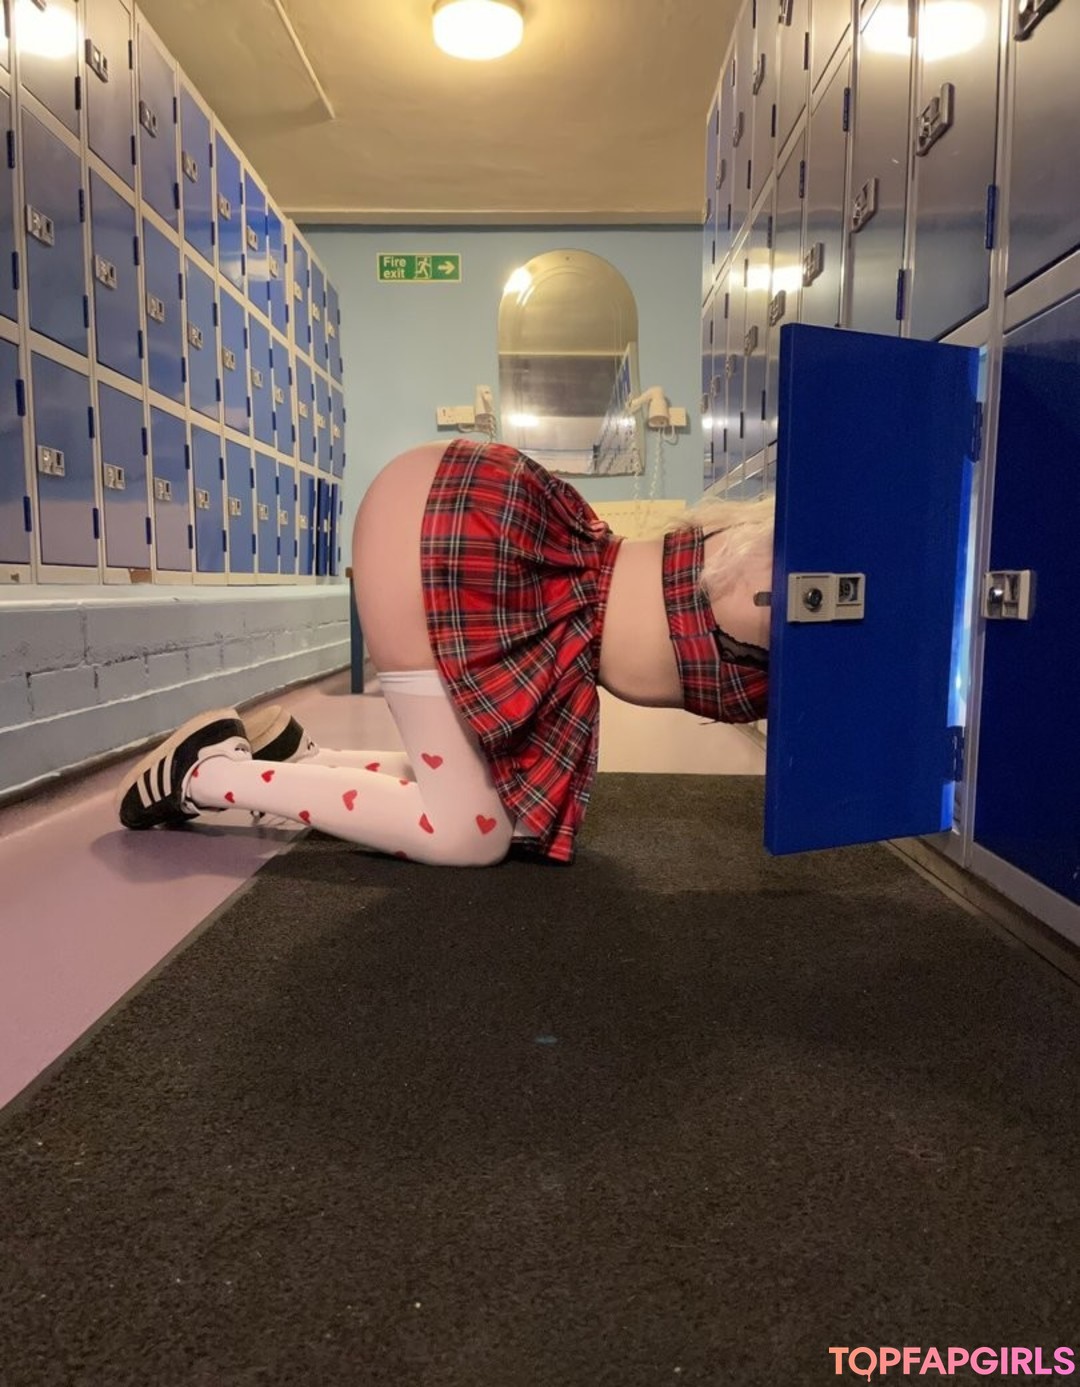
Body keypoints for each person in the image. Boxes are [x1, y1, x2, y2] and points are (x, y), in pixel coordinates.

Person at [116, 438, 774, 867]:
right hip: (467, 550)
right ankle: (204, 773)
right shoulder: (793, 587)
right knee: (468, 835)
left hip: (482, 518)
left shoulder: (770, 543)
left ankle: (303, 760)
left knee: (489, 798)